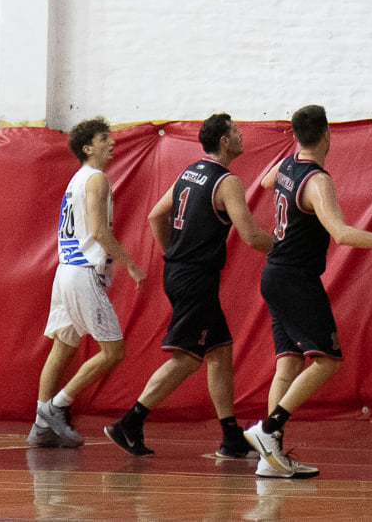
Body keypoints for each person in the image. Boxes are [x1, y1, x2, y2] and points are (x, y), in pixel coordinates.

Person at [243, 105, 372, 479]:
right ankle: (268, 430)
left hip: (274, 274)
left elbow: (266, 183)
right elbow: (341, 233)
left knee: (289, 363)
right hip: (296, 278)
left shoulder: (285, 166)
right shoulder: (317, 181)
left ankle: (270, 458)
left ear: (297, 137)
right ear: (328, 135)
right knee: (328, 361)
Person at [105, 113, 273, 458]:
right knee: (186, 357)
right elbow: (253, 237)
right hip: (195, 278)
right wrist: (289, 247)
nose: (242, 136)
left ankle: (230, 437)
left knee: (219, 352)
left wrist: (174, 253)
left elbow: (155, 215)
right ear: (224, 141)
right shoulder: (226, 182)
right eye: (236, 132)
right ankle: (130, 421)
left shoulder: (189, 172)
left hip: (181, 272)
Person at [27, 117, 147, 449]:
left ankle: (40, 424)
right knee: (114, 351)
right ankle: (57, 405)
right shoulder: (96, 179)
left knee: (62, 347)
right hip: (82, 272)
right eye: (103, 138)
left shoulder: (76, 180)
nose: (111, 142)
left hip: (65, 270)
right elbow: (98, 232)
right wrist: (131, 265)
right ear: (87, 147)